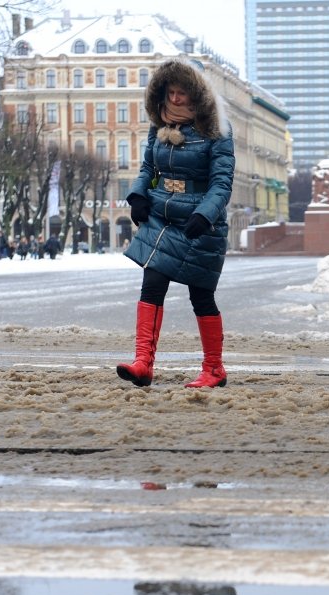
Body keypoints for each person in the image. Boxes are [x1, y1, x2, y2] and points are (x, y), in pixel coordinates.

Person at [118, 58, 235, 389]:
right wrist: (138, 195)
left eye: (182, 92)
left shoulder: (217, 130)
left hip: (199, 220)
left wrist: (205, 214)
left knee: (201, 295)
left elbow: (222, 182)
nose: (176, 99)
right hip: (162, 216)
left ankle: (214, 368)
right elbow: (147, 169)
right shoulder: (160, 126)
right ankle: (143, 363)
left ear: (196, 93)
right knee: (152, 283)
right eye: (170, 92)